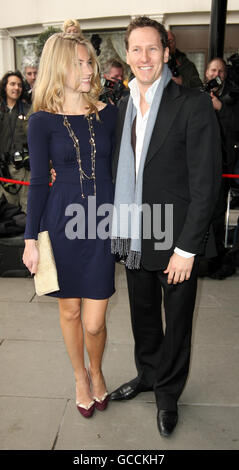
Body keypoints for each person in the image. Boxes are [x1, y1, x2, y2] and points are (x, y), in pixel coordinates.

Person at [110, 16, 221, 437]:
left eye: (152, 49)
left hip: (176, 242)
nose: (144, 57)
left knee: (177, 323)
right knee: (142, 319)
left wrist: (187, 248)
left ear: (166, 53)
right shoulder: (120, 109)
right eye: (136, 49)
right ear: (126, 55)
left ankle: (168, 393)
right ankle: (148, 376)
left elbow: (205, 181)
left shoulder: (191, 103)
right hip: (136, 237)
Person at [22, 33, 117, 418]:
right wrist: (30, 238)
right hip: (61, 221)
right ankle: (82, 377)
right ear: (58, 68)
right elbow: (38, 182)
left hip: (101, 222)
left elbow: (119, 169)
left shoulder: (109, 112)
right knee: (71, 312)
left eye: (89, 62)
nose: (87, 69)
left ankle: (97, 368)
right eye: (78, 63)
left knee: (95, 322)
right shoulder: (41, 121)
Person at [204, 58, 239, 279]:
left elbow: (235, 126)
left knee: (217, 212)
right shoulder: (198, 93)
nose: (216, 74)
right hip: (201, 163)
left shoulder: (233, 97)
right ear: (206, 72)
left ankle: (214, 261)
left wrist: (220, 107)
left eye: (220, 70)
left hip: (224, 164)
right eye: (212, 70)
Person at [0, 70, 30, 213]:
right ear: (5, 86)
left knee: (27, 208)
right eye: (12, 84)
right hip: (3, 170)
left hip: (23, 168)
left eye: (19, 85)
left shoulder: (28, 110)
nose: (16, 88)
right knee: (8, 209)